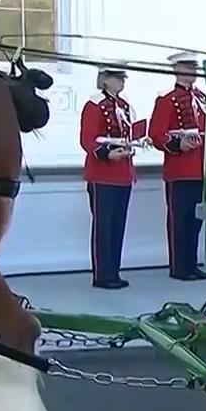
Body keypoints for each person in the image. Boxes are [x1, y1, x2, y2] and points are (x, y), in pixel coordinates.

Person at [79, 65, 144, 290]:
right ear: (105, 79)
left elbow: (125, 133)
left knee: (117, 225)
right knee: (104, 226)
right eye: (117, 77)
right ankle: (102, 274)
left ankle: (113, 271)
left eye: (123, 77)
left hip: (123, 173)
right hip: (103, 173)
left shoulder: (124, 105)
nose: (122, 81)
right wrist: (107, 154)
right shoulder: (94, 105)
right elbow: (88, 139)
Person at [148, 51, 206, 282]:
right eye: (188, 66)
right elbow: (156, 134)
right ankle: (179, 266)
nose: (193, 71)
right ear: (177, 69)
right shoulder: (167, 99)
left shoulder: (202, 98)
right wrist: (178, 144)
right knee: (179, 220)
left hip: (200, 168)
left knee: (195, 221)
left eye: (194, 66)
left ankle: (191, 263)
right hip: (180, 168)